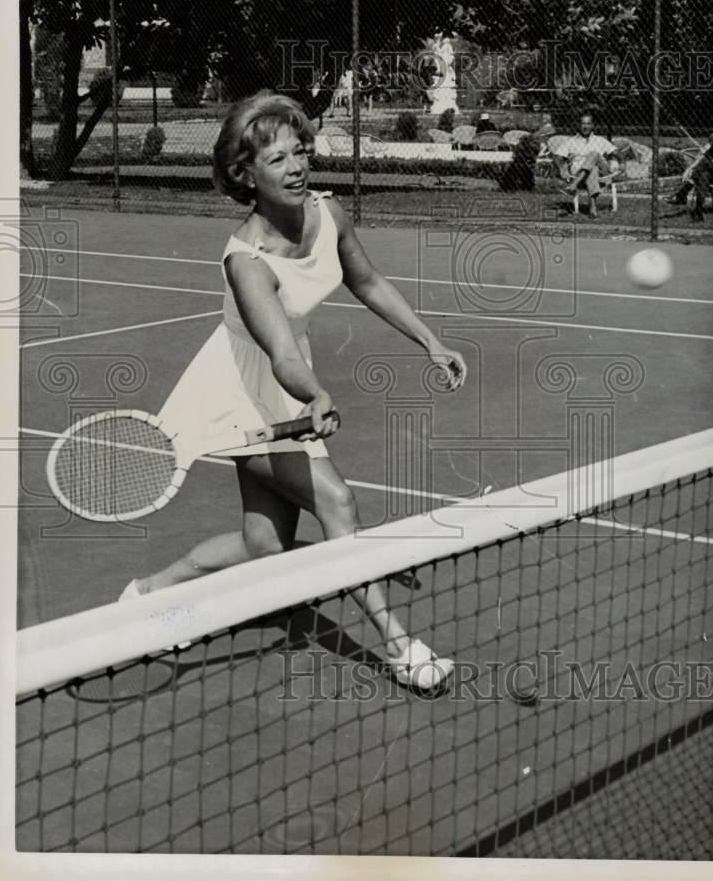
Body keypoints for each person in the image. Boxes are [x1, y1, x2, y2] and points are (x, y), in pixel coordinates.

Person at [119, 92, 467, 690]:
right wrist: (314, 395)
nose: (297, 166)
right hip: (237, 394)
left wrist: (429, 342)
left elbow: (367, 279)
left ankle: (145, 595)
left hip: (287, 384)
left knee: (266, 546)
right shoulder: (246, 261)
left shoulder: (329, 215)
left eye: (300, 152)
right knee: (335, 501)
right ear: (243, 174)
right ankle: (399, 646)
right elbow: (279, 353)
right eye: (277, 159)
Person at [551, 113, 619, 218]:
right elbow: (557, 156)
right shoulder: (571, 141)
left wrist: (620, 162)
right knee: (593, 169)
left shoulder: (600, 140)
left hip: (602, 172)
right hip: (578, 170)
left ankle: (574, 184)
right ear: (578, 125)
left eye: (588, 123)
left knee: (594, 154)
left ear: (593, 125)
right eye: (583, 123)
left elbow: (616, 152)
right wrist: (562, 168)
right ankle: (592, 208)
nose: (585, 126)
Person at [666, 126, 713, 222]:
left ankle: (682, 194)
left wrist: (692, 168)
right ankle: (698, 211)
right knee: (704, 175)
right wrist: (689, 168)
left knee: (706, 164)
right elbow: (705, 157)